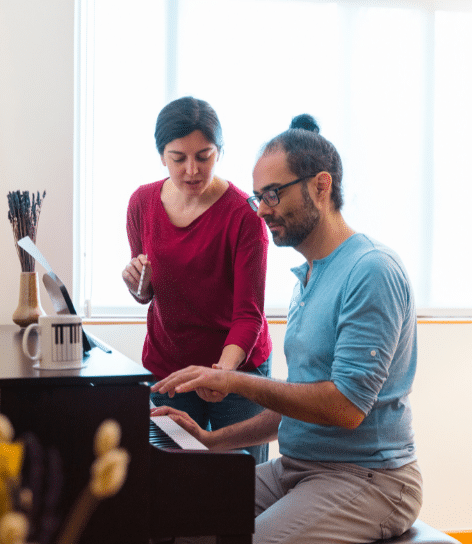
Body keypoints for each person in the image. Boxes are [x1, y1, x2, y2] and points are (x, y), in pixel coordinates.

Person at [151, 114, 422, 544]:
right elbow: (301, 402)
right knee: (169, 514)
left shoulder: (370, 270)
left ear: (321, 186)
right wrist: (210, 440)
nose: (261, 209)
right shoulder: (307, 278)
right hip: (299, 468)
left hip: (371, 480)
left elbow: (345, 408)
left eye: (273, 194)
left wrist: (233, 381)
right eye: (258, 196)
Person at [122, 96, 273, 465]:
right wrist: (138, 284)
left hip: (235, 372)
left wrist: (222, 374)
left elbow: (249, 316)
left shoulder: (245, 216)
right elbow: (151, 294)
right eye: (178, 158)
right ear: (161, 156)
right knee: (173, 485)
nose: (191, 170)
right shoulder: (142, 203)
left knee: (240, 487)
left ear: (219, 152)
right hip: (169, 369)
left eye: (203, 156)